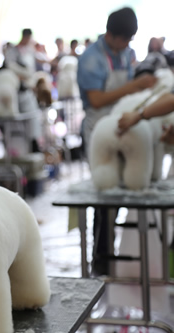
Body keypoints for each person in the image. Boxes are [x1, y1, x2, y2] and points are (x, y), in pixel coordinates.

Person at [76, 6, 157, 276]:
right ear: (111, 34)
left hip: (126, 126)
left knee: (130, 189)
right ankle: (101, 259)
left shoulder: (128, 54)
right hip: (100, 128)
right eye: (124, 39)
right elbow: (97, 99)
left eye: (130, 40)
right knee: (104, 197)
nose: (127, 45)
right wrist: (134, 87)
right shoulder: (90, 58)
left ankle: (131, 259)